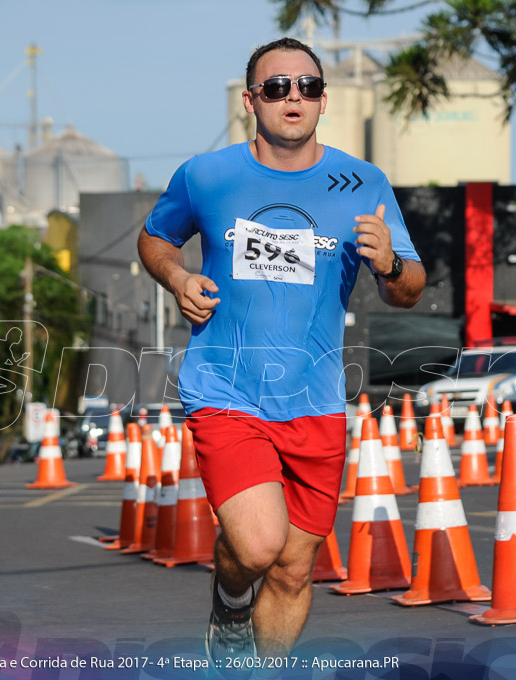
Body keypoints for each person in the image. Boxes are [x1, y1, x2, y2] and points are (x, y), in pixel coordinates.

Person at [137, 37, 425, 666]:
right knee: (261, 544)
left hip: (315, 399)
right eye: (276, 87)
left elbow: (408, 289)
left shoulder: (364, 182)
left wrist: (392, 262)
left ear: (323, 101)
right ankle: (230, 604)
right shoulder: (206, 175)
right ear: (250, 101)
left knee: (296, 569)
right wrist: (179, 278)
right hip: (227, 389)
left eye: (308, 87)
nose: (293, 97)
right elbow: (156, 238)